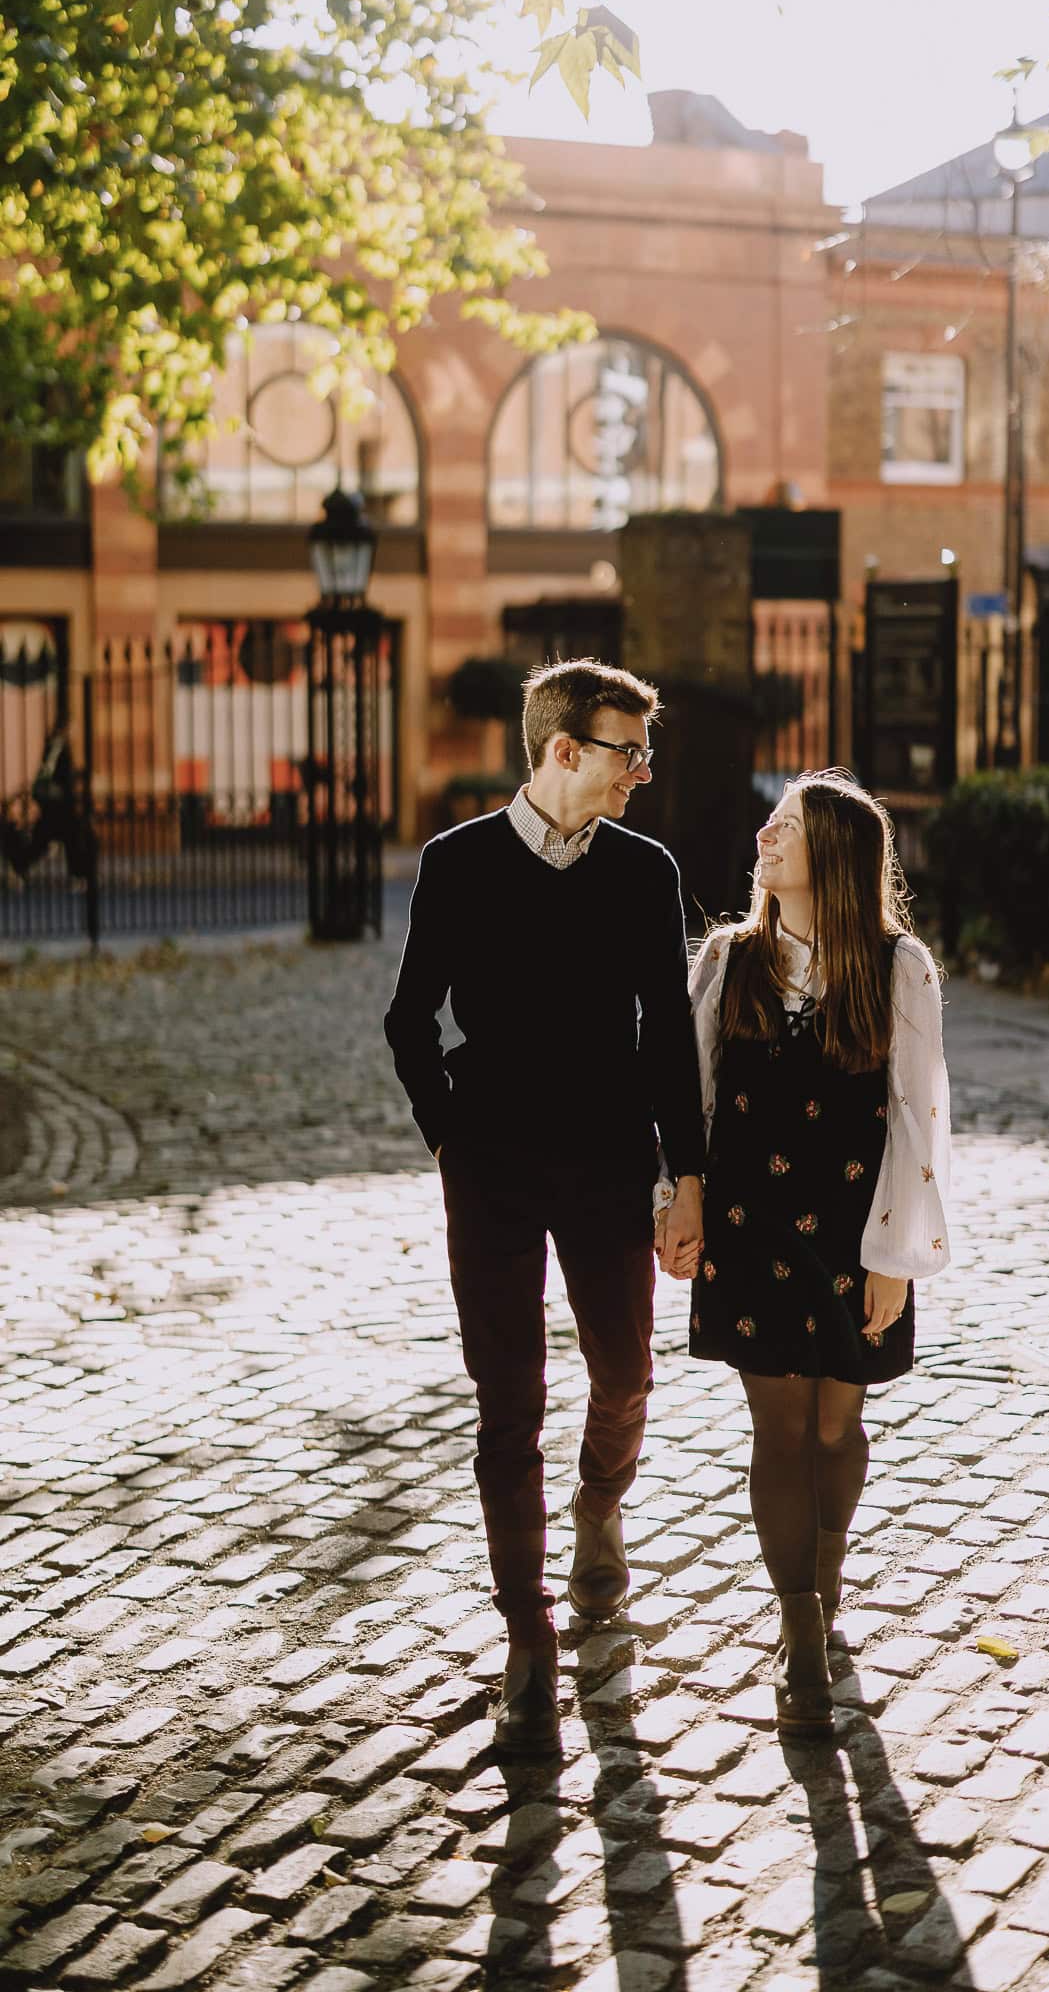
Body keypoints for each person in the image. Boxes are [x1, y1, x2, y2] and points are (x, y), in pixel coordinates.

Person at [384, 658, 705, 1756]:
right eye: (628, 752)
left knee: (626, 1371)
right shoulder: (458, 864)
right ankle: (529, 1636)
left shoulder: (644, 872)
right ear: (564, 750)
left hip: (612, 1165)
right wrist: (450, 1137)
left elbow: (668, 1030)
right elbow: (407, 1021)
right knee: (506, 1401)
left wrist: (688, 1175)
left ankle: (599, 1505)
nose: (642, 773)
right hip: (495, 1173)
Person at [666, 769, 951, 1736]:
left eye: (784, 825)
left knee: (837, 1426)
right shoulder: (725, 959)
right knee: (779, 1432)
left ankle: (822, 1592)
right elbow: (692, 1100)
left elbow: (917, 1117)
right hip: (749, 1234)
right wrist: (678, 1202)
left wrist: (892, 1257)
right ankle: (801, 1634)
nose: (763, 834)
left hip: (851, 1233)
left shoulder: (896, 965)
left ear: (831, 851)